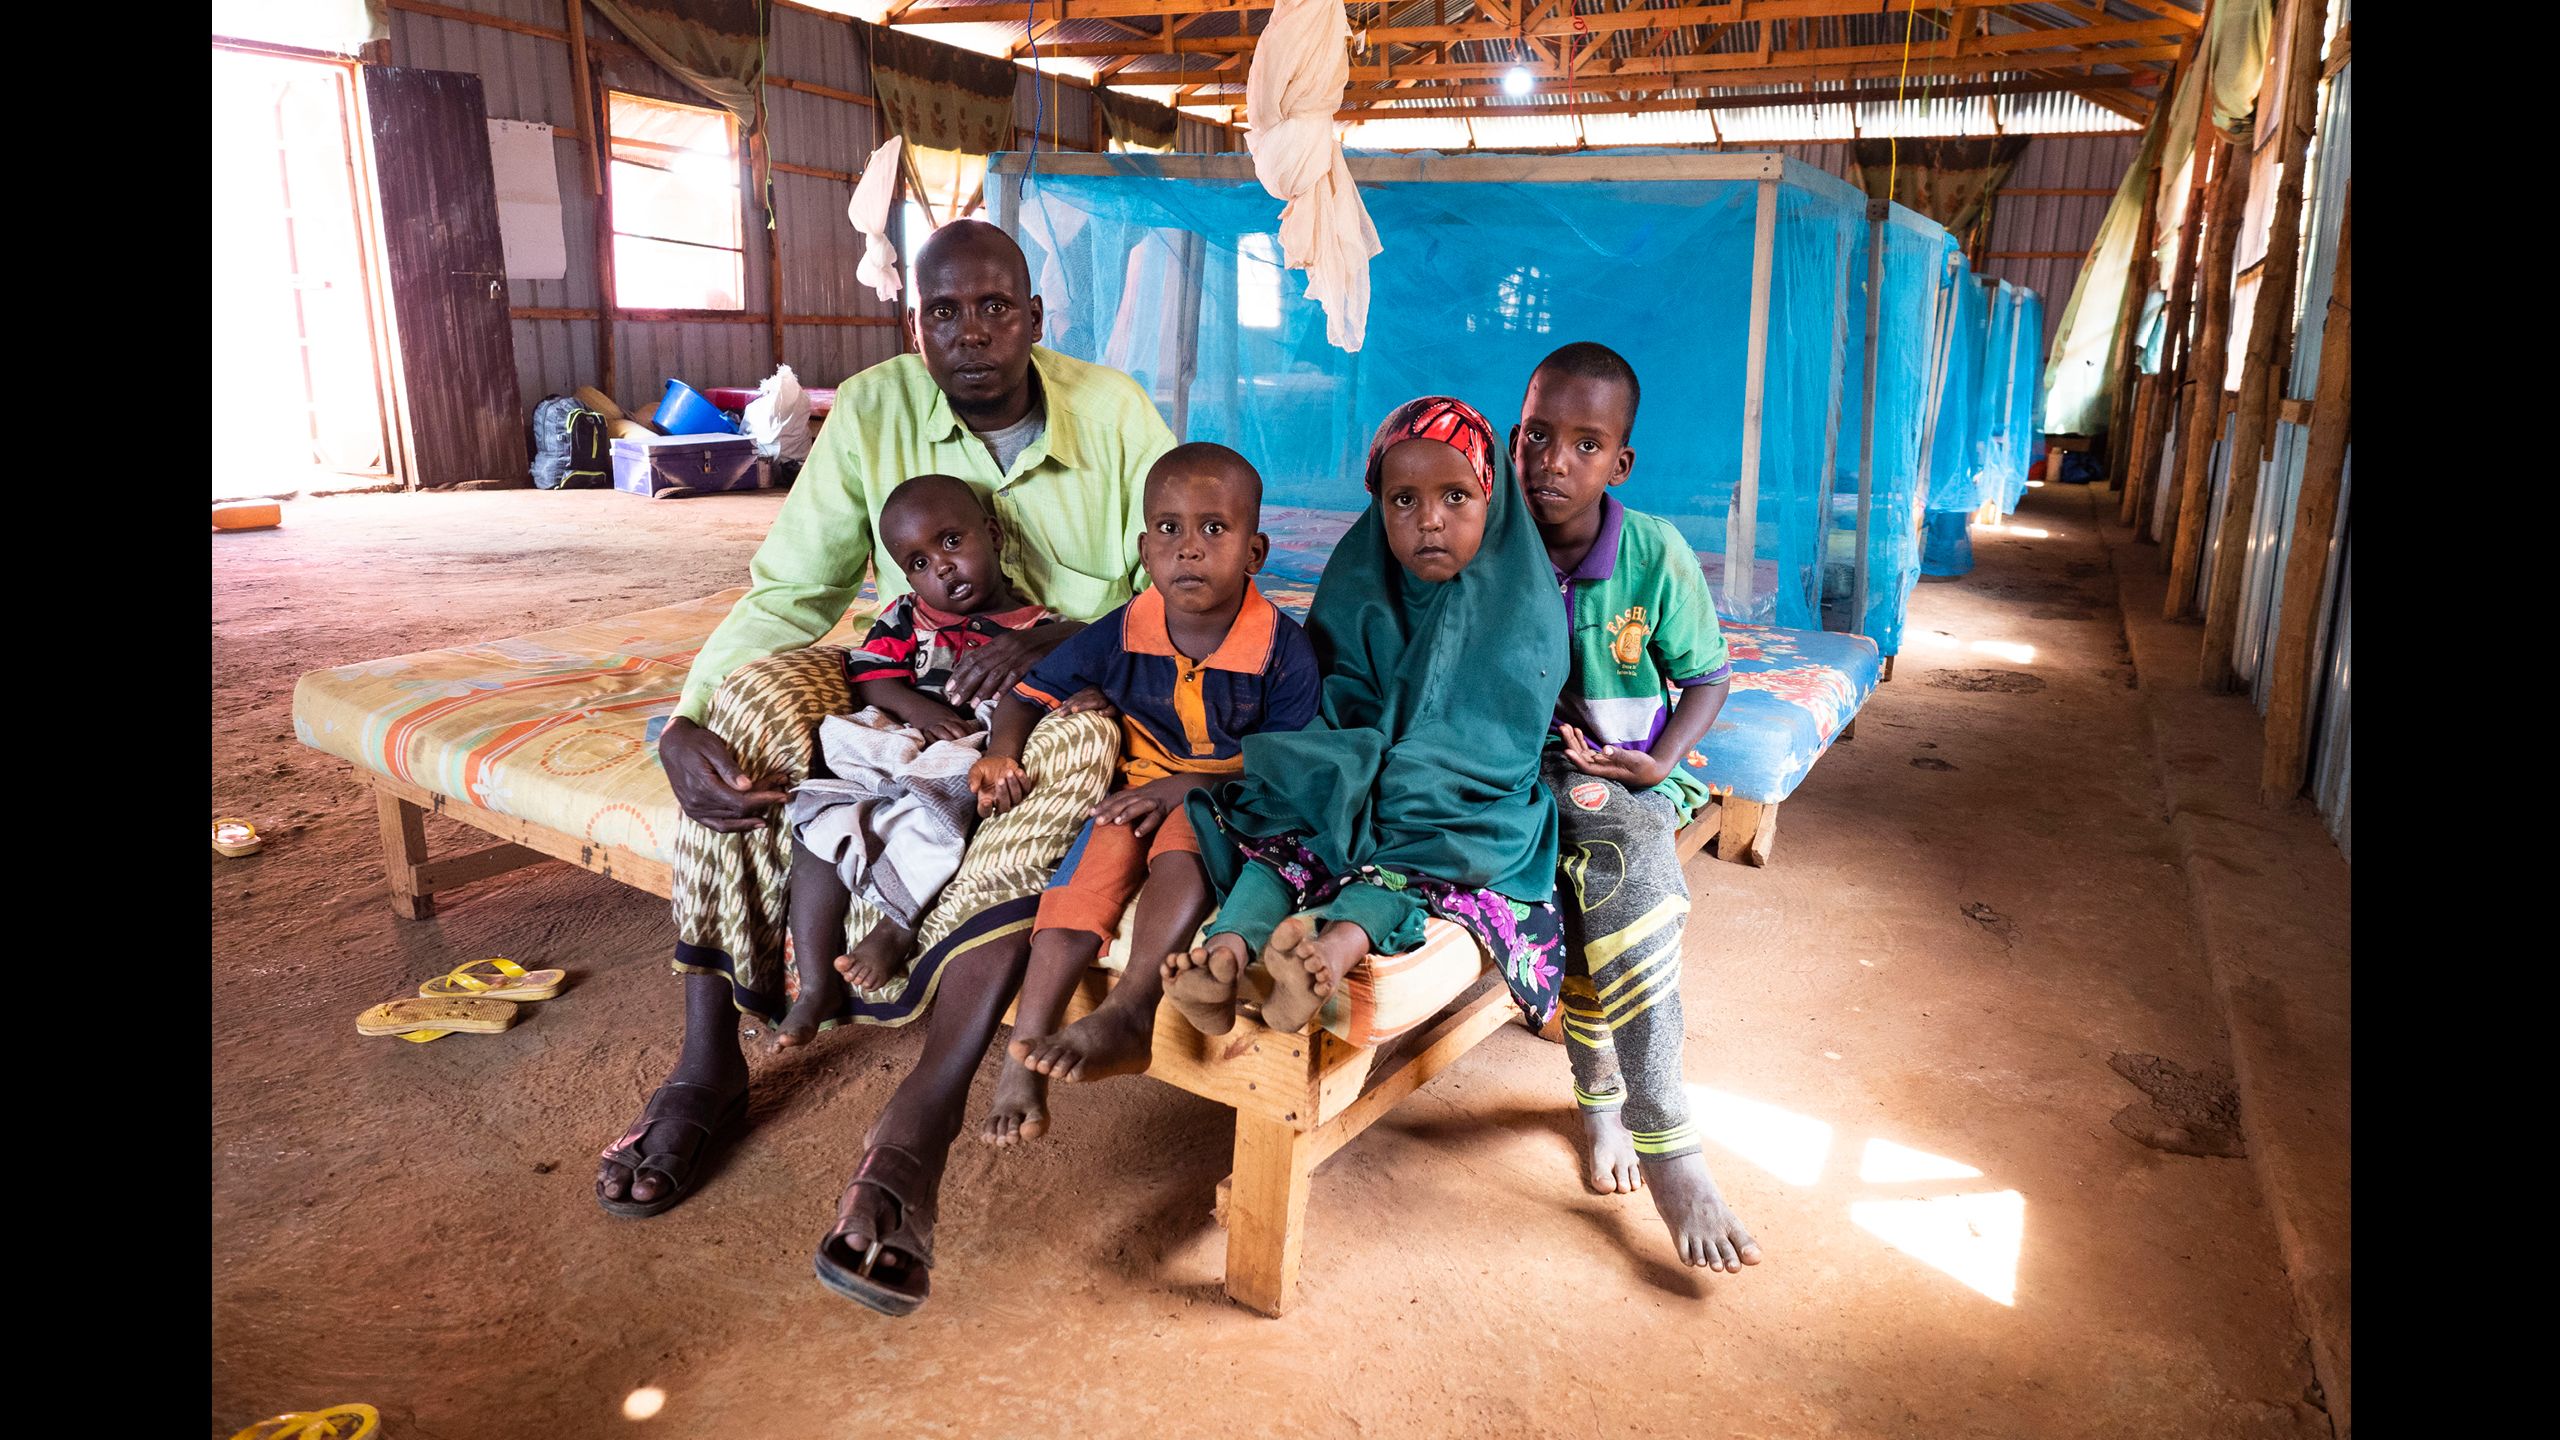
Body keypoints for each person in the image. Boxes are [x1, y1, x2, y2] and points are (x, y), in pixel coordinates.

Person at [595, 220, 1173, 1319]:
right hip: (909, 681)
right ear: (916, 328)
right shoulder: (869, 411)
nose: (971, 334)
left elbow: (1173, 583)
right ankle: (707, 1061)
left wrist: (1061, 646)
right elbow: (792, 594)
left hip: (1063, 685)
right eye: (943, 313)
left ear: (1035, 319)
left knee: (1080, 746)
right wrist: (683, 720)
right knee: (751, 705)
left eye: (995, 309)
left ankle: (921, 1120)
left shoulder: (1113, 413)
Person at [1164, 397, 1569, 1040]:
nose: (1429, 520)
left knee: (1424, 853)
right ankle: (1225, 952)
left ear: (1492, 499)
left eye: (1456, 497)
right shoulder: (1361, 580)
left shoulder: (1522, 603)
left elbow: (1495, 743)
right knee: (1288, 822)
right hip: (1357, 766)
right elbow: (1334, 697)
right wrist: (1346, 774)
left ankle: (1330, 952)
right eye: (1403, 500)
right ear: (1378, 506)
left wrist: (1385, 792)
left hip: (1458, 798)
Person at [959, 444, 1319, 1147]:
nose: (1189, 548)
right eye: (1169, 529)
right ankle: (1022, 1054)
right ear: (1145, 549)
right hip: (1137, 787)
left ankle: (1129, 1011)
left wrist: (1194, 785)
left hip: (1229, 796)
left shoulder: (1283, 650)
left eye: (1214, 528)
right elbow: (1025, 695)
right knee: (1085, 874)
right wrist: (1002, 752)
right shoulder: (1121, 631)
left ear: (1254, 552)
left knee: (1183, 847)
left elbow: (1295, 766)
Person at [1514, 341, 1762, 1275]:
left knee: (1617, 864)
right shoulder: (1490, 536)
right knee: (1593, 877)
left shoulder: (1653, 552)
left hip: (1620, 769)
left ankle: (1656, 1130)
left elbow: (1708, 675)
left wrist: (1658, 761)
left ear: (1619, 463)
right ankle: (1603, 1103)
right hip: (1509, 769)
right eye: (1538, 436)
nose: (1554, 462)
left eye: (1586, 445)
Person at [772, 475, 1059, 1050]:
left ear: (993, 535)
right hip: (900, 740)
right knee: (817, 820)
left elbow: (1030, 699)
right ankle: (815, 984)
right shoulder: (906, 616)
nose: (942, 568)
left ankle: (897, 927)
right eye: (920, 563)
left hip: (968, 752)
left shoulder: (1037, 629)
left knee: (945, 812)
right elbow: (871, 677)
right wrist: (921, 713)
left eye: (952, 542)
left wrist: (981, 744)